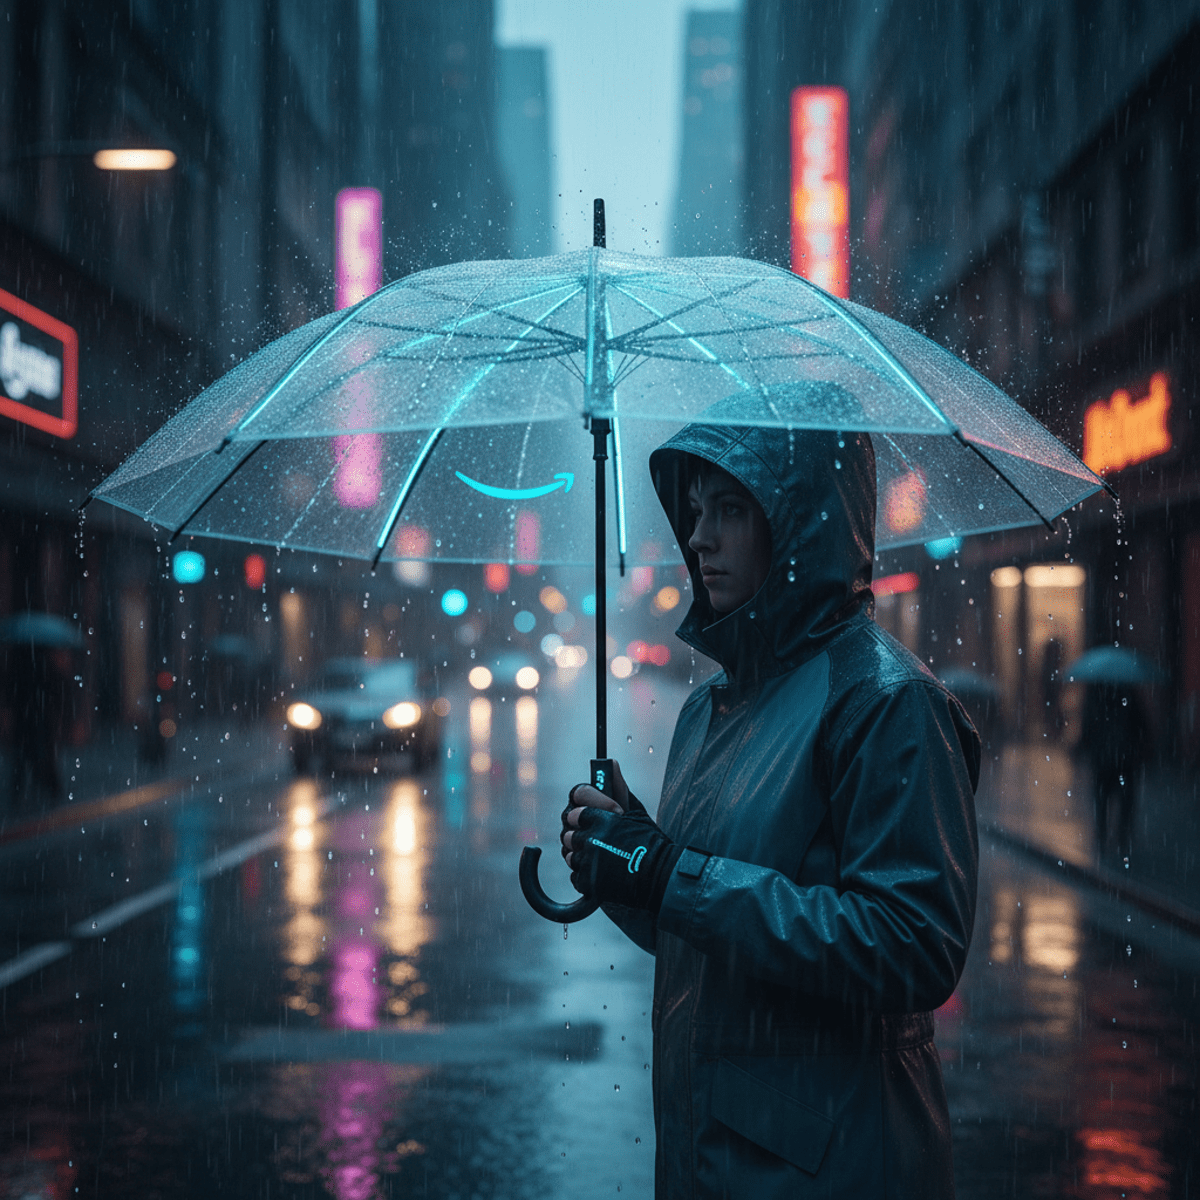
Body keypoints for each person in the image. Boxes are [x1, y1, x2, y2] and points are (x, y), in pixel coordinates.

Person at [561, 418, 980, 1198]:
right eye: (693, 512)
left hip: (832, 1166)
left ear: (798, 521)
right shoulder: (710, 707)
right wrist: (627, 864)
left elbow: (912, 945)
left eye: (729, 510)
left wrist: (667, 872)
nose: (699, 537)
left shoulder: (887, 703)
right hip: (708, 1159)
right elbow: (702, 926)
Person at [1080, 681, 1150, 857]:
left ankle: (1105, 836)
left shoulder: (1096, 698)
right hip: (1122, 759)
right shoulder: (1130, 697)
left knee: (1104, 799)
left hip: (1106, 759)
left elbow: (1087, 729)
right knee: (1123, 799)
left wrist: (1085, 746)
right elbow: (1142, 727)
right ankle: (1120, 837)